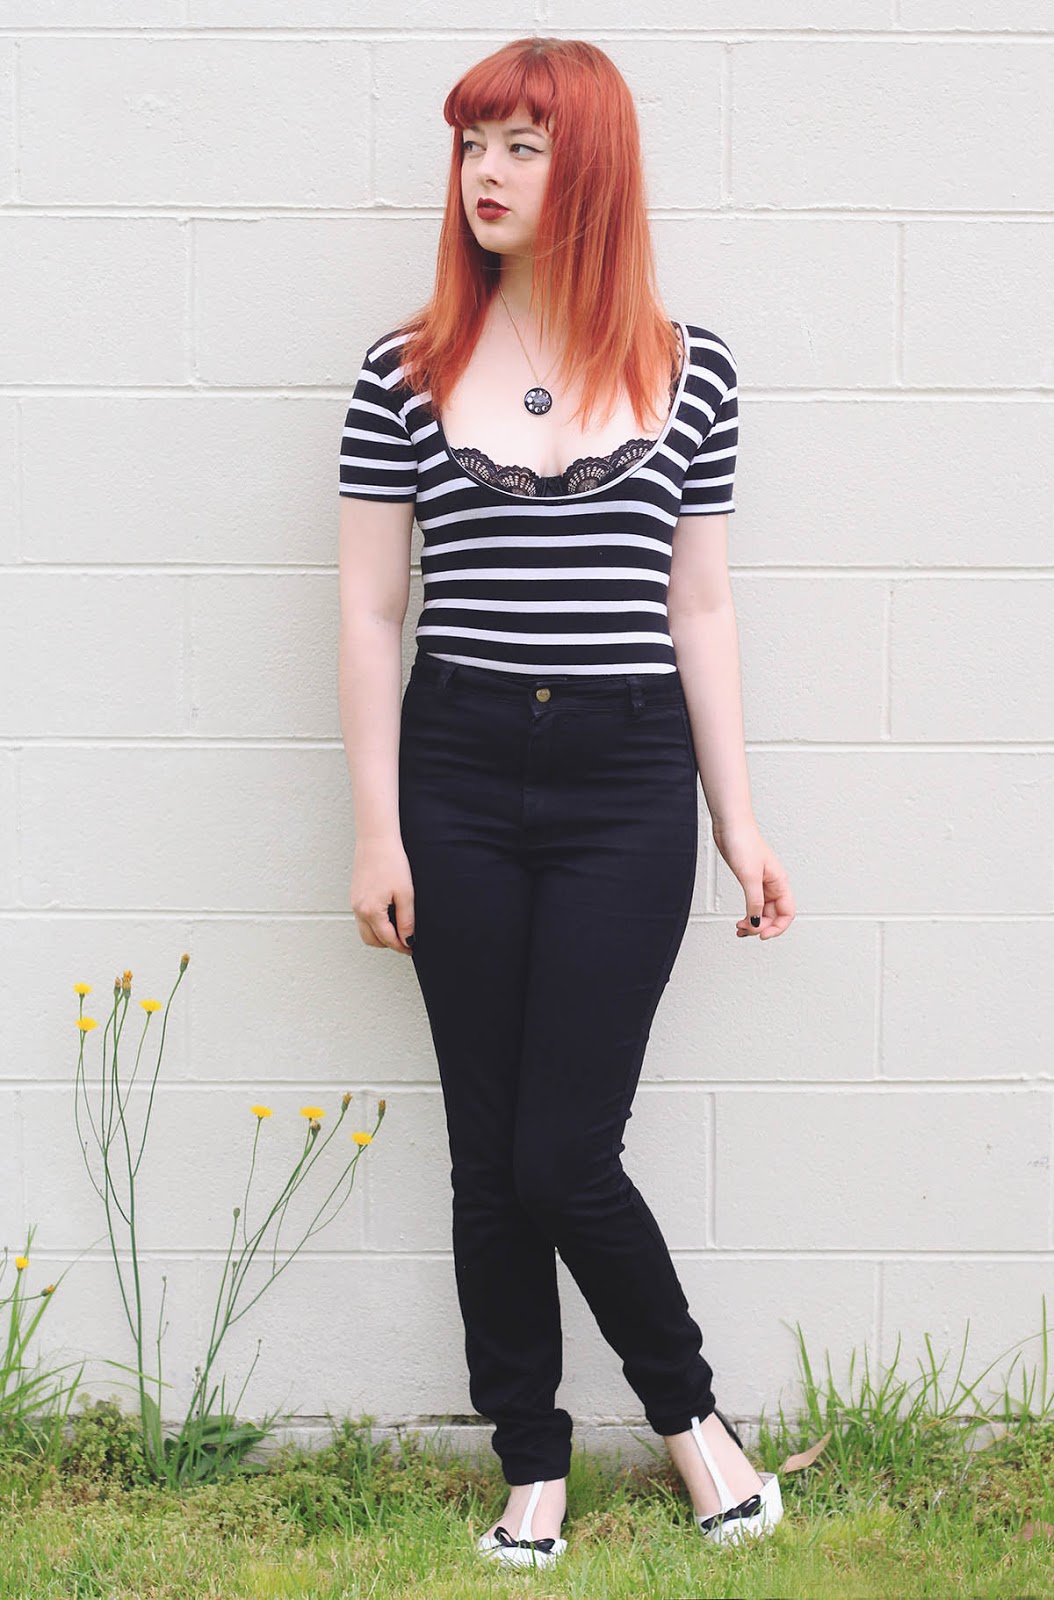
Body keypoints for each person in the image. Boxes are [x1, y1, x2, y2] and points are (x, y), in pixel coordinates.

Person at [337, 35, 796, 1570]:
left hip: (624, 783)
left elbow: (699, 608)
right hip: (457, 770)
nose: (485, 171)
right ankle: (529, 1462)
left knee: (561, 1153)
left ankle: (689, 1419)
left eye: (521, 144)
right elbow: (368, 615)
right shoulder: (402, 373)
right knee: (488, 1153)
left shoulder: (690, 369)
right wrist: (377, 826)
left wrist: (737, 820)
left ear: (587, 165)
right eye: (472, 141)